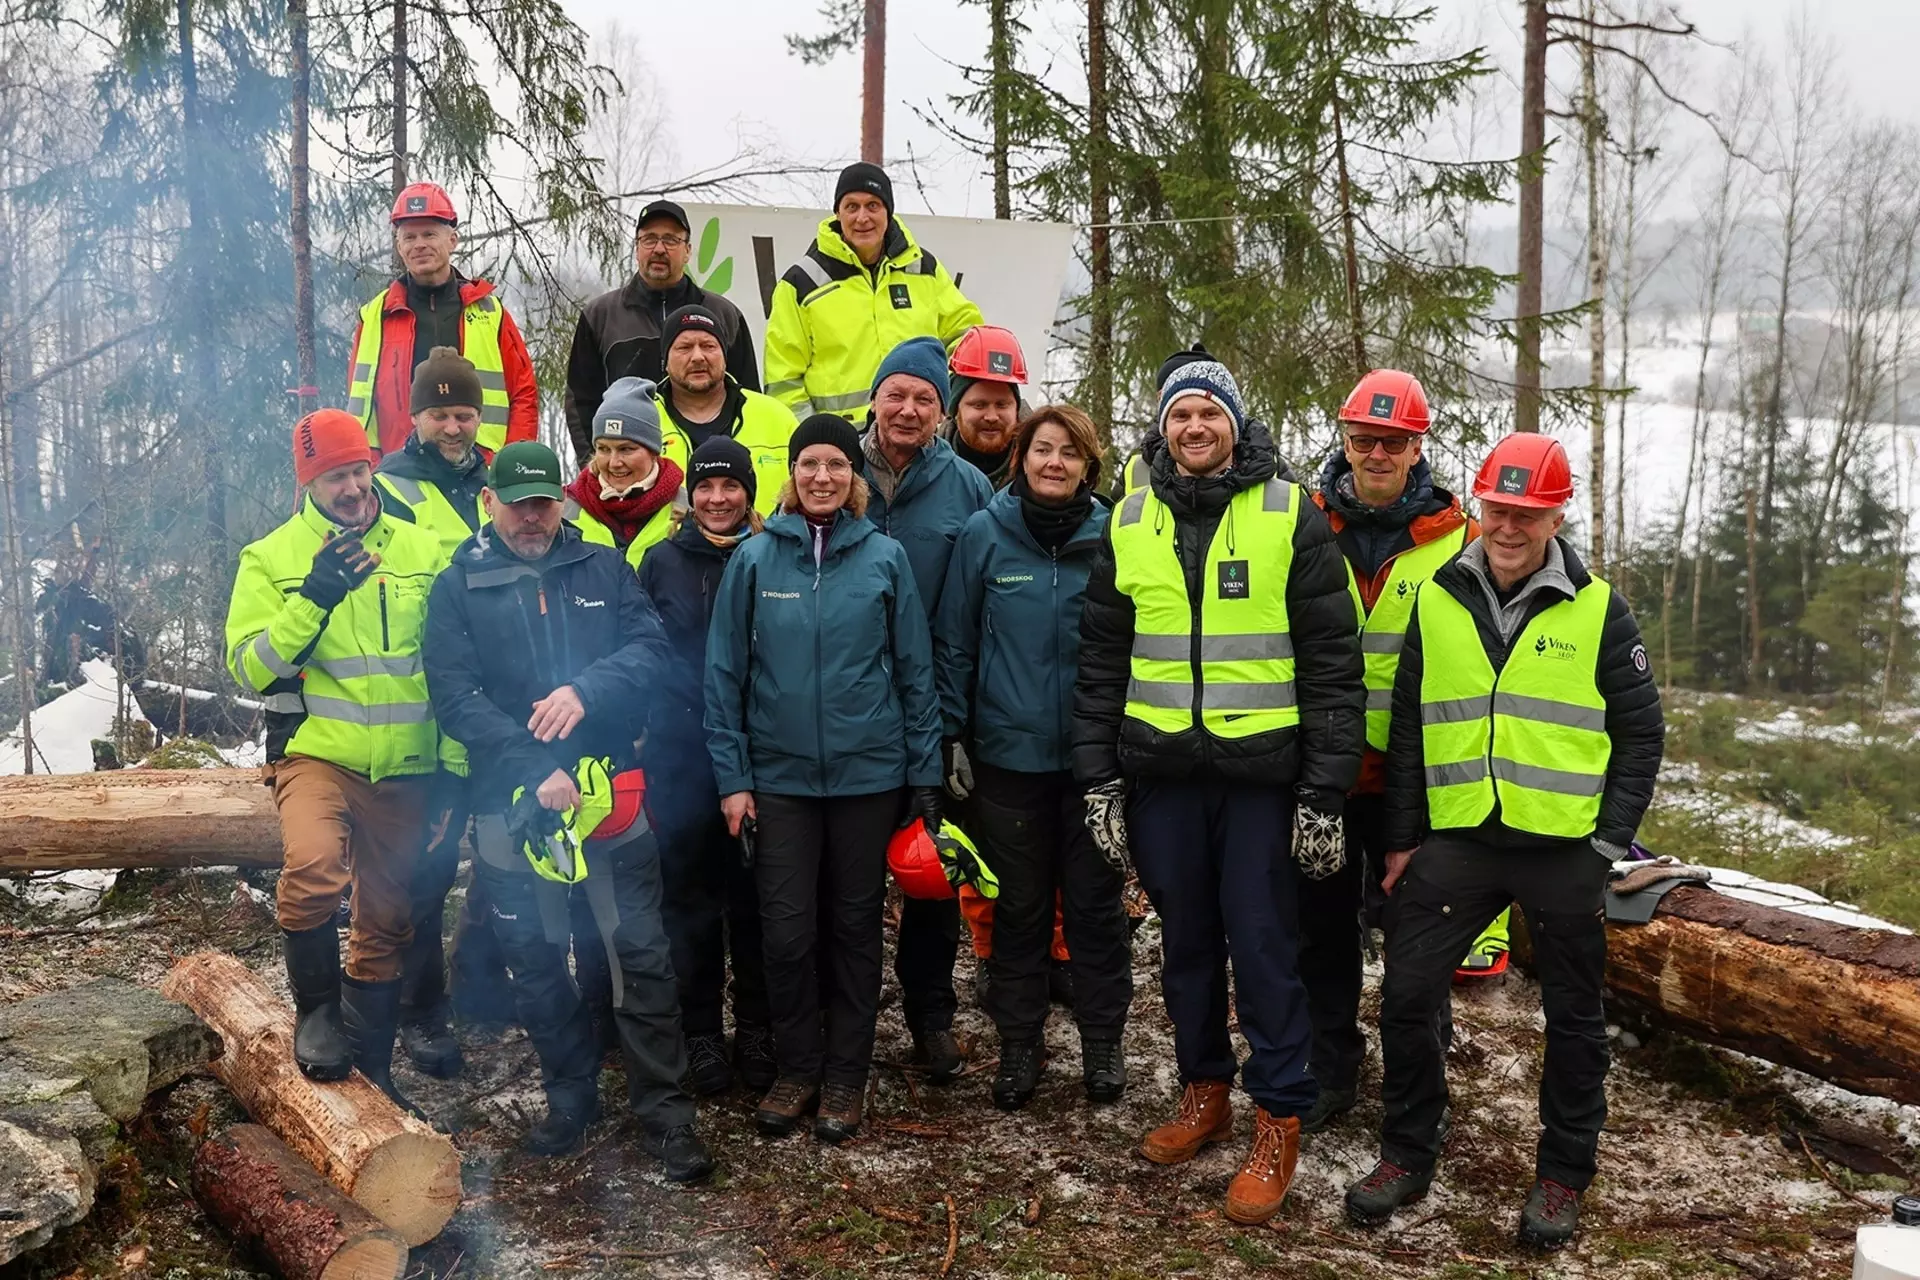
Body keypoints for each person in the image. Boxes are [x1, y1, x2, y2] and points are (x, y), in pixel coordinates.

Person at [1344, 433, 1663, 1250]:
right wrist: (1404, 839)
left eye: (1527, 513)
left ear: (1556, 513)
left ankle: (1562, 1173)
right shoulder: (1440, 597)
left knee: (1573, 1018)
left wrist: (1606, 845)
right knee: (1409, 991)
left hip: (1563, 848)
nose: (1509, 527)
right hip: (1460, 839)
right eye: (1497, 509)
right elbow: (1409, 727)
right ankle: (1410, 1149)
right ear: (1479, 505)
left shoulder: (1598, 607)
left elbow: (1641, 736)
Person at [1071, 355, 1364, 1225]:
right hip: (1162, 778)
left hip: (1260, 782)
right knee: (1188, 945)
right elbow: (1099, 666)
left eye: (1210, 413)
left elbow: (1332, 668)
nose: (1194, 428)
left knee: (1267, 949)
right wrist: (1099, 781)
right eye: (1179, 416)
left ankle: (1279, 1116)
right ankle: (1206, 1090)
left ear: (1237, 422)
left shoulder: (1289, 514)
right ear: (1161, 429)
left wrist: (1324, 794)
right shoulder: (1128, 519)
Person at [422, 441, 713, 1180]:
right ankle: (570, 1096)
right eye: (516, 501)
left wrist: (587, 690)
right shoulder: (459, 585)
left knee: (639, 953)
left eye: (543, 500)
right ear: (489, 502)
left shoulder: (602, 568)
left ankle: (666, 1113)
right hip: (511, 805)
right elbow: (453, 698)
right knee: (538, 958)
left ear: (562, 500)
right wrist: (532, 765)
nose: (531, 515)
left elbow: (650, 651)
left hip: (612, 797)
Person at [704, 414, 943, 1144]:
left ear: (853, 477)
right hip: (778, 780)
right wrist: (732, 778)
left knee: (852, 928)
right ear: (791, 473)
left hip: (868, 778)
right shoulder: (754, 559)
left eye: (836, 465)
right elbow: (724, 676)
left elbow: (915, 673)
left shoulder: (883, 557)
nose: (822, 477)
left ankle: (846, 1073)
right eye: (809, 464)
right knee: (784, 933)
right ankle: (798, 1068)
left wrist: (924, 776)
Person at [224, 409, 443, 1113]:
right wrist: (313, 598)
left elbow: (456, 659)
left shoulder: (422, 547)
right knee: (314, 868)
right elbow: (252, 669)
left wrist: (459, 765)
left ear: (371, 465)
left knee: (389, 913)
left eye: (355, 470)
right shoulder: (270, 557)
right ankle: (317, 1013)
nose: (348, 488)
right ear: (307, 483)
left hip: (409, 761)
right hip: (318, 754)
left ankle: (372, 1065)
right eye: (330, 478)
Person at [1294, 369, 1487, 1133]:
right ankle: (1328, 1066)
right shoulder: (1304, 525)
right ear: (1343, 441)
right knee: (1322, 928)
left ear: (1418, 448)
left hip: (1420, 780)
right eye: (1363, 439)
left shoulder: (1460, 540)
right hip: (1322, 771)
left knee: (1418, 937)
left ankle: (1419, 1074)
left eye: (1394, 441)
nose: (1376, 453)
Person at [934, 404, 1132, 1112]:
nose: (1054, 463)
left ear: (1088, 465)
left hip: (1093, 761)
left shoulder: (1114, 535)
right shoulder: (986, 534)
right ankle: (1020, 1043)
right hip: (1007, 760)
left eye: (1069, 453)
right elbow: (956, 642)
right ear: (1021, 459)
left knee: (1095, 910)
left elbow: (1142, 643)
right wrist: (952, 736)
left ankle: (1103, 1040)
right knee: (1016, 908)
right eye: (1042, 449)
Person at [373, 347, 514, 1076]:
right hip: (424, 716)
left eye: (464, 413)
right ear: (415, 416)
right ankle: (421, 1010)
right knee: (426, 870)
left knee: (506, 858)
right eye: (439, 413)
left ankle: (483, 989)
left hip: (499, 711)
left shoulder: (504, 480)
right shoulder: (388, 489)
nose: (453, 426)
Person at [861, 336, 994, 1080]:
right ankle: (839, 1018)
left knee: (930, 875)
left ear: (942, 412)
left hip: (932, 717)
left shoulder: (968, 490)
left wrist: (958, 726)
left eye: (924, 398)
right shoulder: (830, 469)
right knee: (845, 882)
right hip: (842, 715)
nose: (908, 408)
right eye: (897, 393)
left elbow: (976, 614)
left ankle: (930, 1019)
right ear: (875, 397)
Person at [635, 437, 775, 1096]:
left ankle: (754, 1027)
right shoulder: (659, 561)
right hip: (679, 757)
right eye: (705, 487)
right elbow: (637, 650)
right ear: (689, 494)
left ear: (749, 491)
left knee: (753, 902)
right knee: (688, 905)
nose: (717, 499)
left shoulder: (771, 555)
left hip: (758, 755)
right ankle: (700, 1032)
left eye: (730, 486)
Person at [764, 163, 983, 423]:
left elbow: (966, 339)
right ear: (837, 214)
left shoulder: (924, 269)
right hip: (842, 449)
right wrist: (815, 436)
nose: (862, 217)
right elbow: (782, 380)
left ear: (888, 212)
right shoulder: (802, 282)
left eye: (872, 206)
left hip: (920, 436)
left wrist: (945, 408)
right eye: (851, 206)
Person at [347, 182, 538, 458]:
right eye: (409, 237)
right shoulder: (375, 317)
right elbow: (361, 407)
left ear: (453, 240)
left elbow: (523, 395)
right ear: (398, 246)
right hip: (400, 473)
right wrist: (374, 471)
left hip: (480, 472)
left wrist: (511, 465)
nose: (419, 245)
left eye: (429, 234)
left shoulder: (489, 314)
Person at [564, 198, 760, 464]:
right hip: (626, 471)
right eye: (649, 239)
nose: (659, 249)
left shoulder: (724, 314)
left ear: (688, 250)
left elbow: (748, 395)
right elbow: (581, 401)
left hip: (712, 471)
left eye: (670, 240)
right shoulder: (600, 315)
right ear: (636, 249)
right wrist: (596, 465)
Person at [652, 304, 796, 514]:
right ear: (665, 361)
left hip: (769, 544)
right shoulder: (644, 421)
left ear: (725, 357)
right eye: (684, 347)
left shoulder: (776, 416)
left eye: (709, 346)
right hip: (668, 545)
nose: (698, 357)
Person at [562, 377, 684, 569]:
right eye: (603, 449)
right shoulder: (566, 507)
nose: (614, 463)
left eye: (626, 449)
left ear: (653, 451)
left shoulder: (686, 508)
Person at [937, 325, 1028, 488]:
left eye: (1002, 405)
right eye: (979, 405)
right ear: (955, 411)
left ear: (1016, 409)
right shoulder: (925, 470)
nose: (992, 417)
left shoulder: (1043, 476)